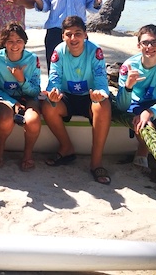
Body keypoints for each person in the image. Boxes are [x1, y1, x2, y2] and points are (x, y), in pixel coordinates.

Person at [41, 16, 112, 185]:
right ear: (63, 36)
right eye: (69, 34)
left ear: (85, 35)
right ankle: (66, 147)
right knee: (48, 105)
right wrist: (53, 93)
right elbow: (54, 78)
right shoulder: (59, 51)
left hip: (90, 96)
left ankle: (96, 162)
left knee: (103, 105)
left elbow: (102, 79)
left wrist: (100, 94)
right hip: (68, 97)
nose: (73, 38)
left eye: (78, 33)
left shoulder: (95, 51)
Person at [115, 24, 156, 169]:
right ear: (139, 45)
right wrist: (128, 86)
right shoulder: (128, 67)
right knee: (145, 125)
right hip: (137, 103)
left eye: (154, 42)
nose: (149, 46)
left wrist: (150, 112)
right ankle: (142, 151)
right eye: (145, 43)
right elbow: (121, 106)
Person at [0, 23, 42, 171]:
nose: (14, 45)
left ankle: (27, 154)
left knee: (33, 120)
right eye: (10, 41)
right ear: (3, 42)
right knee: (6, 118)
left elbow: (35, 91)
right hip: (4, 98)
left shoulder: (32, 60)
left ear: (24, 42)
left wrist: (21, 80)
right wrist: (13, 103)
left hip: (27, 98)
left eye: (19, 41)